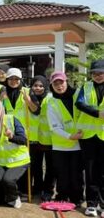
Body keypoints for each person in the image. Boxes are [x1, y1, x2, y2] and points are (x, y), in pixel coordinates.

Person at [47, 71, 83, 205]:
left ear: (66, 82)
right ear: (52, 85)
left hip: (79, 144)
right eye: (55, 83)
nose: (59, 86)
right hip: (60, 145)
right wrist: (70, 136)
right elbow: (54, 126)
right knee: (62, 174)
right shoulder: (52, 102)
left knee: (76, 174)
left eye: (61, 82)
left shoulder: (78, 96)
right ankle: (62, 196)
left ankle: (77, 198)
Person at [76, 59, 104, 217]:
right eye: (95, 73)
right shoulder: (85, 87)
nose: (98, 76)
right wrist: (97, 113)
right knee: (91, 171)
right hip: (88, 136)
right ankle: (92, 204)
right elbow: (79, 104)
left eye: (101, 73)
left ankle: (103, 204)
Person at [28, 76, 54, 201]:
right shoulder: (28, 98)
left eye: (41, 86)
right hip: (34, 139)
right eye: (35, 85)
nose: (37, 88)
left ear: (45, 86)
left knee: (50, 167)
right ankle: (37, 187)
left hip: (49, 139)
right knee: (35, 166)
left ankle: (48, 190)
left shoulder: (50, 98)